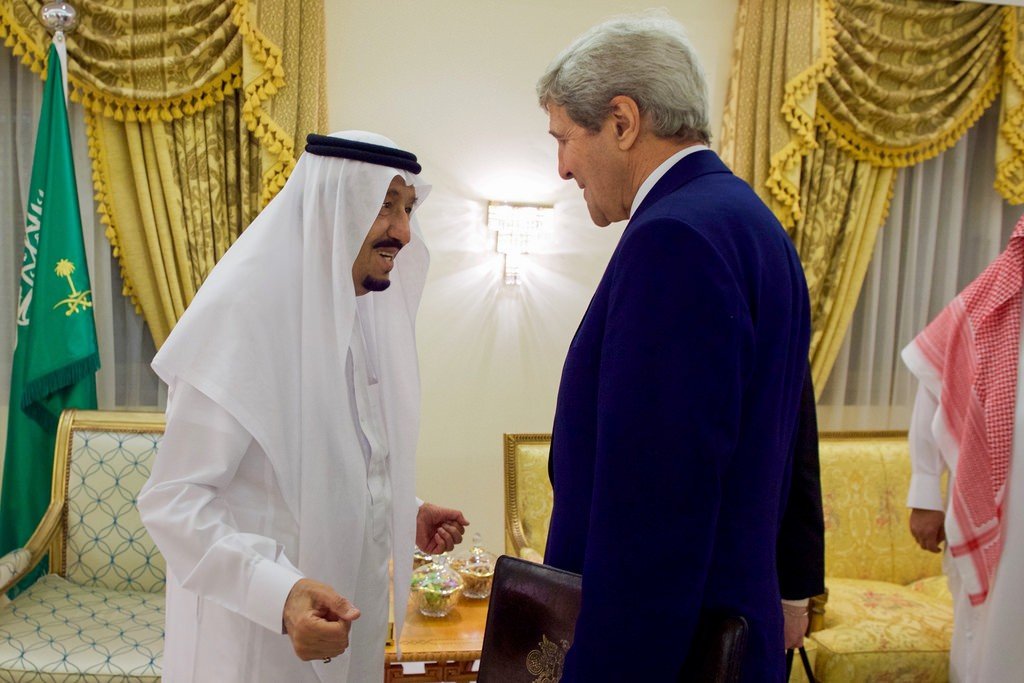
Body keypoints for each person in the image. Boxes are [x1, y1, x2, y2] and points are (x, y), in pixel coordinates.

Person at [536, 13, 811, 681]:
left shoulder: (675, 241)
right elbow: (797, 430)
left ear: (624, 121)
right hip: (735, 630)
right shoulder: (751, 221)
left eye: (565, 138)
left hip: (672, 653)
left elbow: (654, 515)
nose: (562, 166)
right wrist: (797, 583)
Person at [137, 131, 469, 683]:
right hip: (255, 643)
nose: (403, 232)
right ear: (334, 206)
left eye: (408, 208)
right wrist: (281, 595)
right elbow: (174, 500)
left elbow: (319, 455)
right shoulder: (243, 315)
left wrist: (403, 510)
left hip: (345, 623)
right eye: (385, 205)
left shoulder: (353, 309)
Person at [903, 214, 1024, 681]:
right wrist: (925, 494)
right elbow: (933, 386)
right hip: (1006, 518)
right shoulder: (992, 306)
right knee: (995, 634)